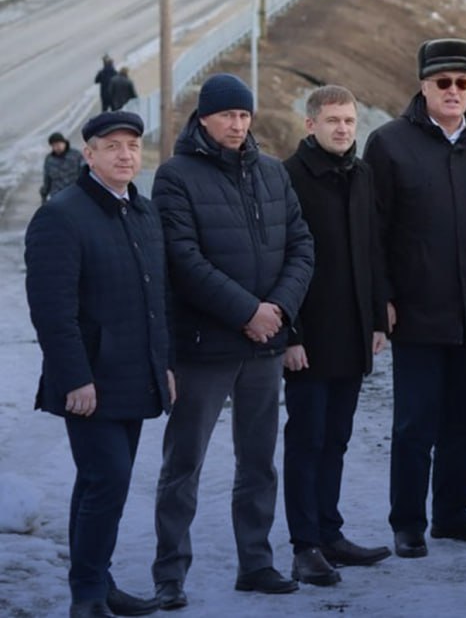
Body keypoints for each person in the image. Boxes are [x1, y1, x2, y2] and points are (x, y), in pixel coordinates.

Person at [150, 73, 315, 607]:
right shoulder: (174, 176)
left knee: (259, 462)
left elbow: (301, 246)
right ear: (204, 119)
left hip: (264, 347)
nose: (237, 125)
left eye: (243, 115)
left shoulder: (271, 173)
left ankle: (257, 563)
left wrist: (278, 311)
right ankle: (170, 573)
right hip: (204, 346)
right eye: (227, 116)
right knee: (184, 465)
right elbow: (183, 259)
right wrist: (247, 311)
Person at [363, 39, 466, 559]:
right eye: (443, 82)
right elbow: (374, 232)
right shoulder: (388, 144)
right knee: (415, 423)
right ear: (423, 85)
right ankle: (407, 521)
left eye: (462, 83)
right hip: (415, 310)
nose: (453, 91)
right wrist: (382, 298)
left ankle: (452, 514)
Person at [26, 111, 173, 618]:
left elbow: (158, 299)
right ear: (88, 155)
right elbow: (51, 310)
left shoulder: (144, 211)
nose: (125, 154)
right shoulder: (61, 215)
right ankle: (86, 594)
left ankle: (96, 582)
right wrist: (75, 378)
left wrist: (165, 364)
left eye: (132, 145)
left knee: (101, 481)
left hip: (134, 374)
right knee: (107, 477)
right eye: (112, 146)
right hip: (88, 381)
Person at [281, 86, 392, 586]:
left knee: (337, 440)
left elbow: (373, 250)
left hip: (351, 333)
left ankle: (330, 533)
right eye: (332, 121)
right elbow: (278, 260)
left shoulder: (362, 174)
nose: (343, 128)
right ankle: (304, 546)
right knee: (307, 440)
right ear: (310, 125)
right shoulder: (286, 177)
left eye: (349, 120)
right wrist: (290, 334)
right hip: (307, 335)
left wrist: (376, 320)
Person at [41, 131, 85, 205]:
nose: (57, 147)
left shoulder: (76, 155)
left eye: (59, 143)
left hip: (75, 194)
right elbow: (47, 179)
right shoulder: (49, 159)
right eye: (54, 145)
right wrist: (44, 195)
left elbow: (85, 173)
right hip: (57, 197)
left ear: (64, 143)